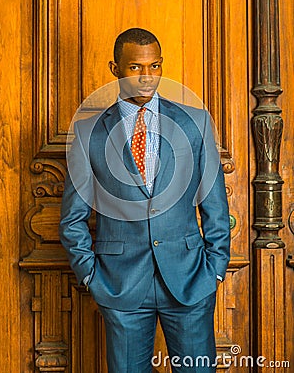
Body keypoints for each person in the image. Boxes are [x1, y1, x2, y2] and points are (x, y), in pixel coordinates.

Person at [59, 28, 230, 372]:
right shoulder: (88, 132)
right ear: (115, 68)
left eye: (155, 66)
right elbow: (72, 218)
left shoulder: (194, 122)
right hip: (120, 284)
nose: (147, 77)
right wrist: (91, 275)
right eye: (136, 68)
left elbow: (214, 204)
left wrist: (215, 270)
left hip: (190, 279)